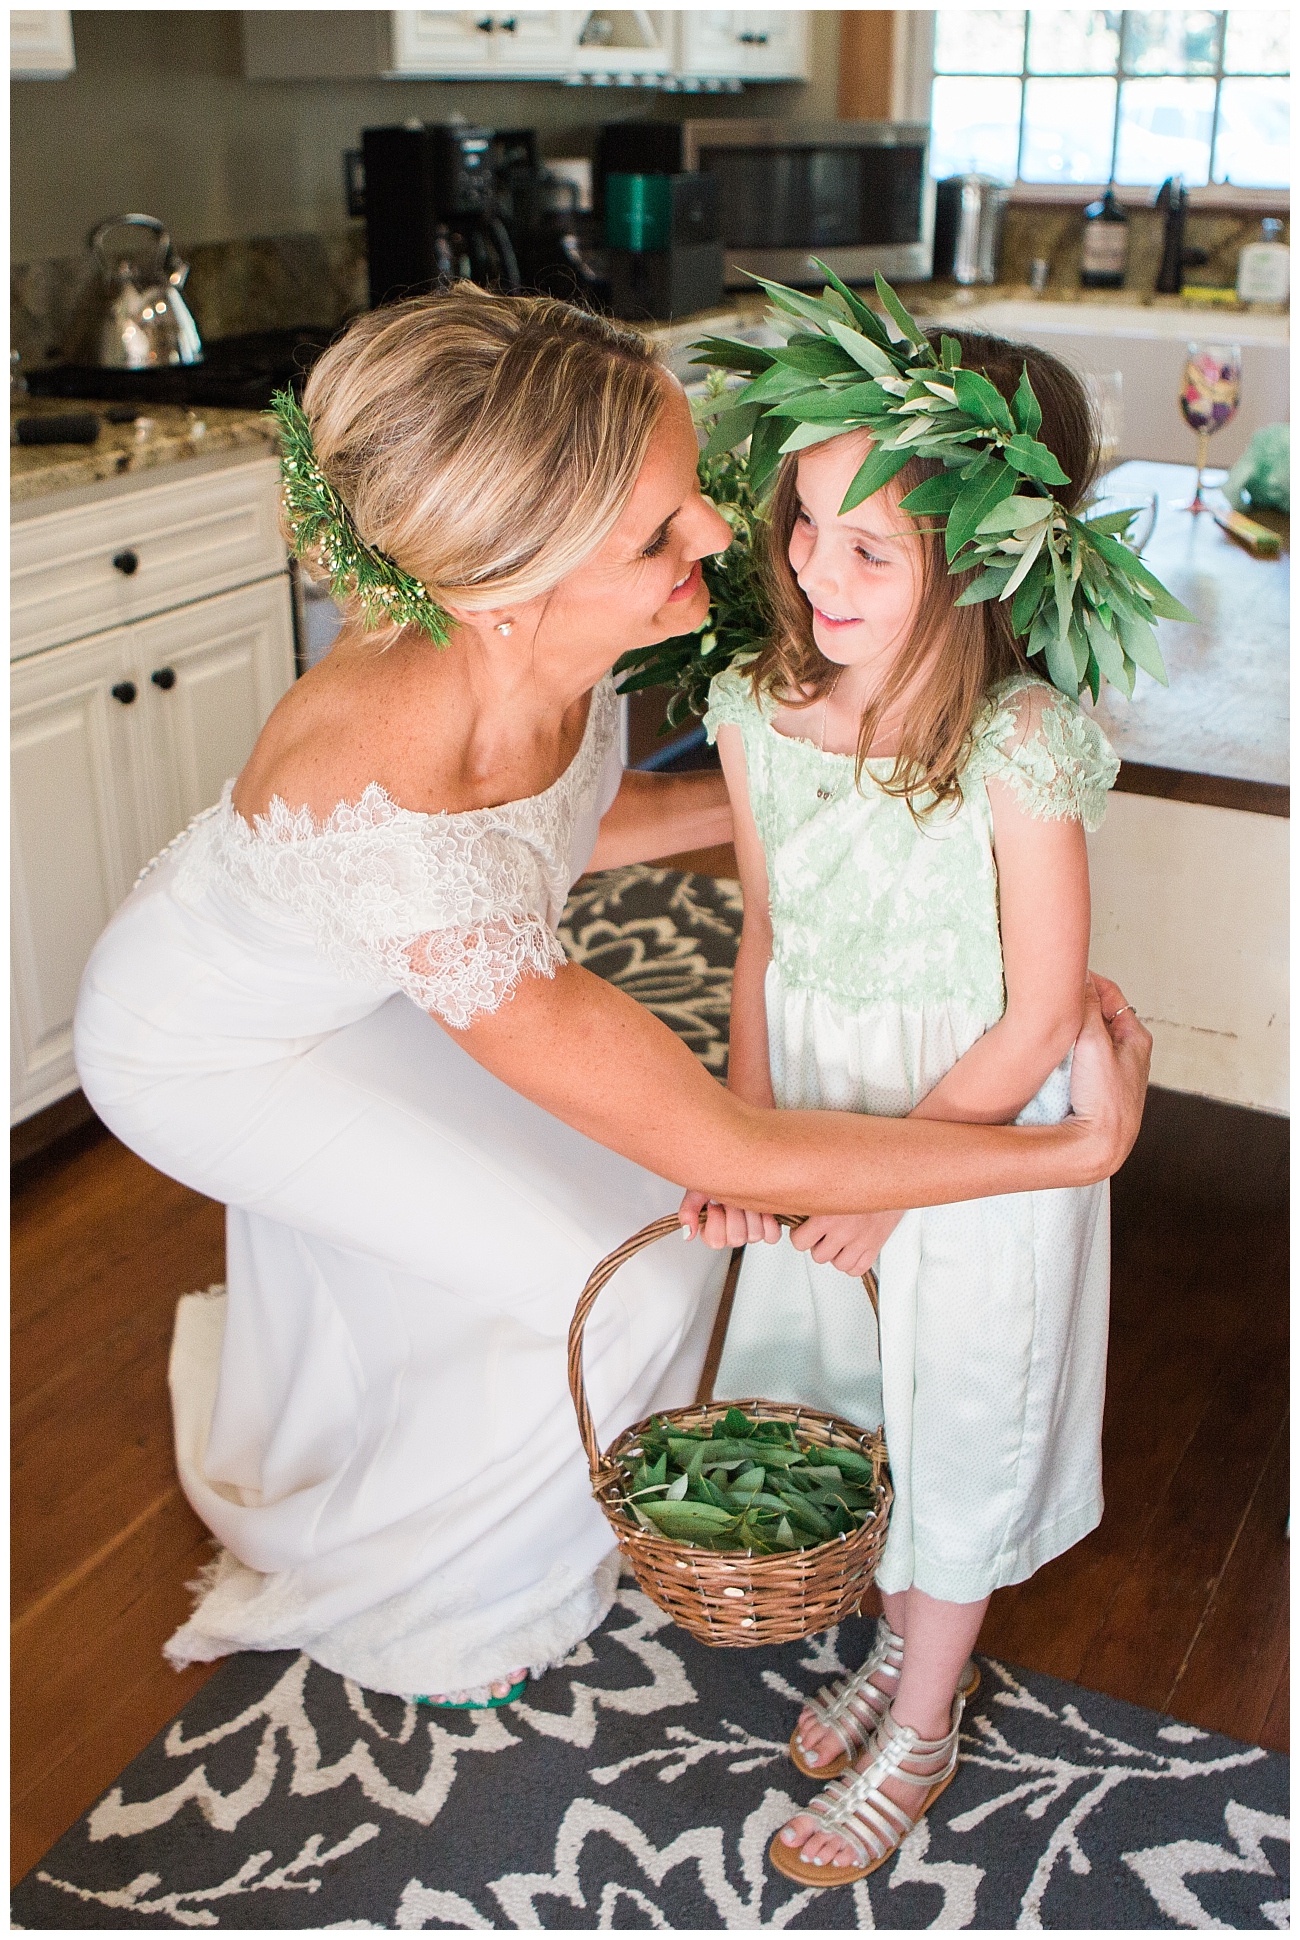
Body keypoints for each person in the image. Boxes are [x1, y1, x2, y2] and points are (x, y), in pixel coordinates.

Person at [73, 287, 1150, 1714]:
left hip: (367, 959)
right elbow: (727, 1141)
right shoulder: (409, 837)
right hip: (210, 1049)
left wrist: (876, 808)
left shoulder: (514, 624)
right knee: (631, 1284)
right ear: (508, 589)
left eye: (693, 485)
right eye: (658, 536)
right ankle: (453, 1588)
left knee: (623, 1213)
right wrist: (1076, 1146)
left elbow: (562, 823)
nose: (721, 532)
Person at [684, 315, 1142, 1886]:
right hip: (823, 1113)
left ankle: (928, 1718)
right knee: (856, 1401)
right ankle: (897, 1645)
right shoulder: (754, 708)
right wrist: (749, 1135)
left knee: (959, 1412)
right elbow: (762, 938)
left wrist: (885, 1185)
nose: (816, 568)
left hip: (971, 1143)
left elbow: (1041, 1015)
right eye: (806, 523)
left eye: (871, 548)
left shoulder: (1023, 746)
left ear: (982, 566)